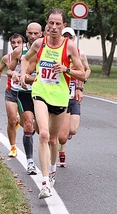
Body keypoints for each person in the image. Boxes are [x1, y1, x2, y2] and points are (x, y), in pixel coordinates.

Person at [19, 8, 86, 199]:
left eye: (58, 23)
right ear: (46, 24)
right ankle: (45, 182)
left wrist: (66, 69)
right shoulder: (40, 43)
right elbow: (25, 59)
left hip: (60, 97)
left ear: (64, 25)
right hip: (40, 91)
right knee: (43, 135)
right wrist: (24, 74)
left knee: (53, 140)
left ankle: (53, 168)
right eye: (51, 23)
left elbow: (82, 74)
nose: (54, 27)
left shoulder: (70, 47)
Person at [7, 22, 42, 175]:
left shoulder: (47, 50)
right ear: (26, 33)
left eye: (36, 33)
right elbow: (9, 69)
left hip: (42, 94)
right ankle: (30, 162)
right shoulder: (19, 51)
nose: (33, 36)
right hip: (24, 93)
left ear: (41, 34)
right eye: (31, 33)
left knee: (42, 130)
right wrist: (14, 74)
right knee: (28, 124)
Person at [57, 27, 91, 167]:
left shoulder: (80, 54)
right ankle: (61, 152)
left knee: (73, 130)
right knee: (62, 134)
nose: (67, 39)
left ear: (73, 38)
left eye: (70, 37)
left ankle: (64, 135)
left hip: (74, 94)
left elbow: (86, 70)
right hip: (60, 95)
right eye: (65, 36)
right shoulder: (57, 52)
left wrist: (80, 87)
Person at [0, 33, 25, 158]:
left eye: (19, 42)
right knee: (11, 120)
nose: (16, 45)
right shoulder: (7, 58)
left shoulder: (29, 56)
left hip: (25, 91)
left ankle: (19, 120)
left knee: (25, 122)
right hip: (11, 91)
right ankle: (13, 147)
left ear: (23, 43)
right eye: (13, 42)